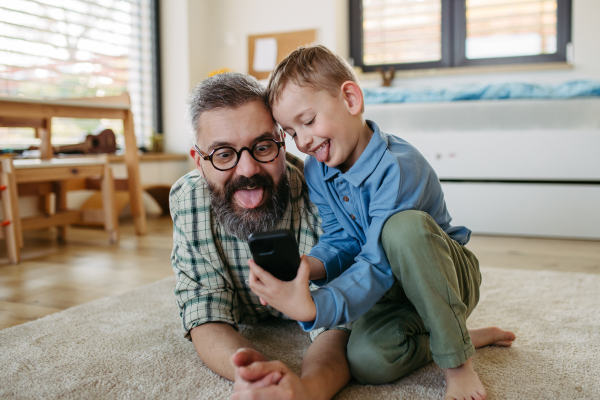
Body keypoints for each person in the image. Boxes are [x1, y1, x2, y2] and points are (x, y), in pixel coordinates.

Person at [245, 45, 516, 400]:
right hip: (392, 291)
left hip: (445, 275)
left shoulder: (400, 167)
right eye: (292, 133)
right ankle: (459, 333)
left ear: (351, 99)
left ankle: (458, 361)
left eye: (308, 121)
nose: (304, 142)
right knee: (367, 361)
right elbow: (342, 239)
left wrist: (318, 306)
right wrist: (306, 268)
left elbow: (378, 261)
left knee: (400, 229)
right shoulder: (317, 170)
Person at [170, 71, 353, 400]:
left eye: (263, 147)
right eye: (224, 154)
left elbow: (339, 322)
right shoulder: (187, 200)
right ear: (199, 161)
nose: (248, 170)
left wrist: (310, 389)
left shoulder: (323, 193)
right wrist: (254, 371)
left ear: (283, 143)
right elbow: (204, 310)